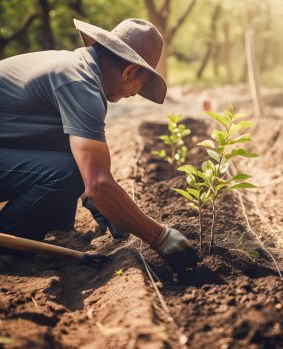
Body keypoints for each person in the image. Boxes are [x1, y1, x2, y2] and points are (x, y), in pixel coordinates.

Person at [0, 18, 197, 273]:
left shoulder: (75, 68)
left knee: (72, 171)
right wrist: (161, 237)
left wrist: (90, 197)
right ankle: (9, 243)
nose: (134, 94)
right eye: (140, 86)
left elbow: (71, 152)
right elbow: (99, 184)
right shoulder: (80, 84)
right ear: (129, 72)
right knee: (69, 174)